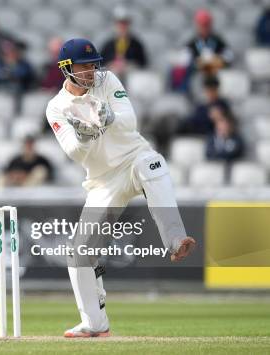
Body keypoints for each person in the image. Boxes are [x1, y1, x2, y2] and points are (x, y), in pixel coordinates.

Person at [45, 38, 196, 337]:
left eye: (93, 65)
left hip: (133, 158)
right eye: (83, 66)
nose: (91, 71)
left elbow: (130, 120)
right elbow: (73, 152)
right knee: (79, 253)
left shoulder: (107, 79)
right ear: (66, 68)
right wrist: (85, 135)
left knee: (153, 164)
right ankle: (94, 323)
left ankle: (176, 241)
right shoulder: (56, 108)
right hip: (103, 180)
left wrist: (109, 117)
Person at [100, 7, 147, 78]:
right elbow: (101, 62)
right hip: (113, 72)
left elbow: (143, 62)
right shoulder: (108, 44)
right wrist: (111, 64)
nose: (122, 26)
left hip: (131, 73)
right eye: (120, 24)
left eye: (125, 24)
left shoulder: (136, 44)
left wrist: (129, 64)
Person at [185, 9, 233, 77]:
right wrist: (198, 62)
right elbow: (187, 60)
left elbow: (228, 56)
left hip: (216, 73)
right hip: (198, 75)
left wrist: (218, 60)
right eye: (202, 25)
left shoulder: (218, 41)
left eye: (206, 25)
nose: (204, 28)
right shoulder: (192, 43)